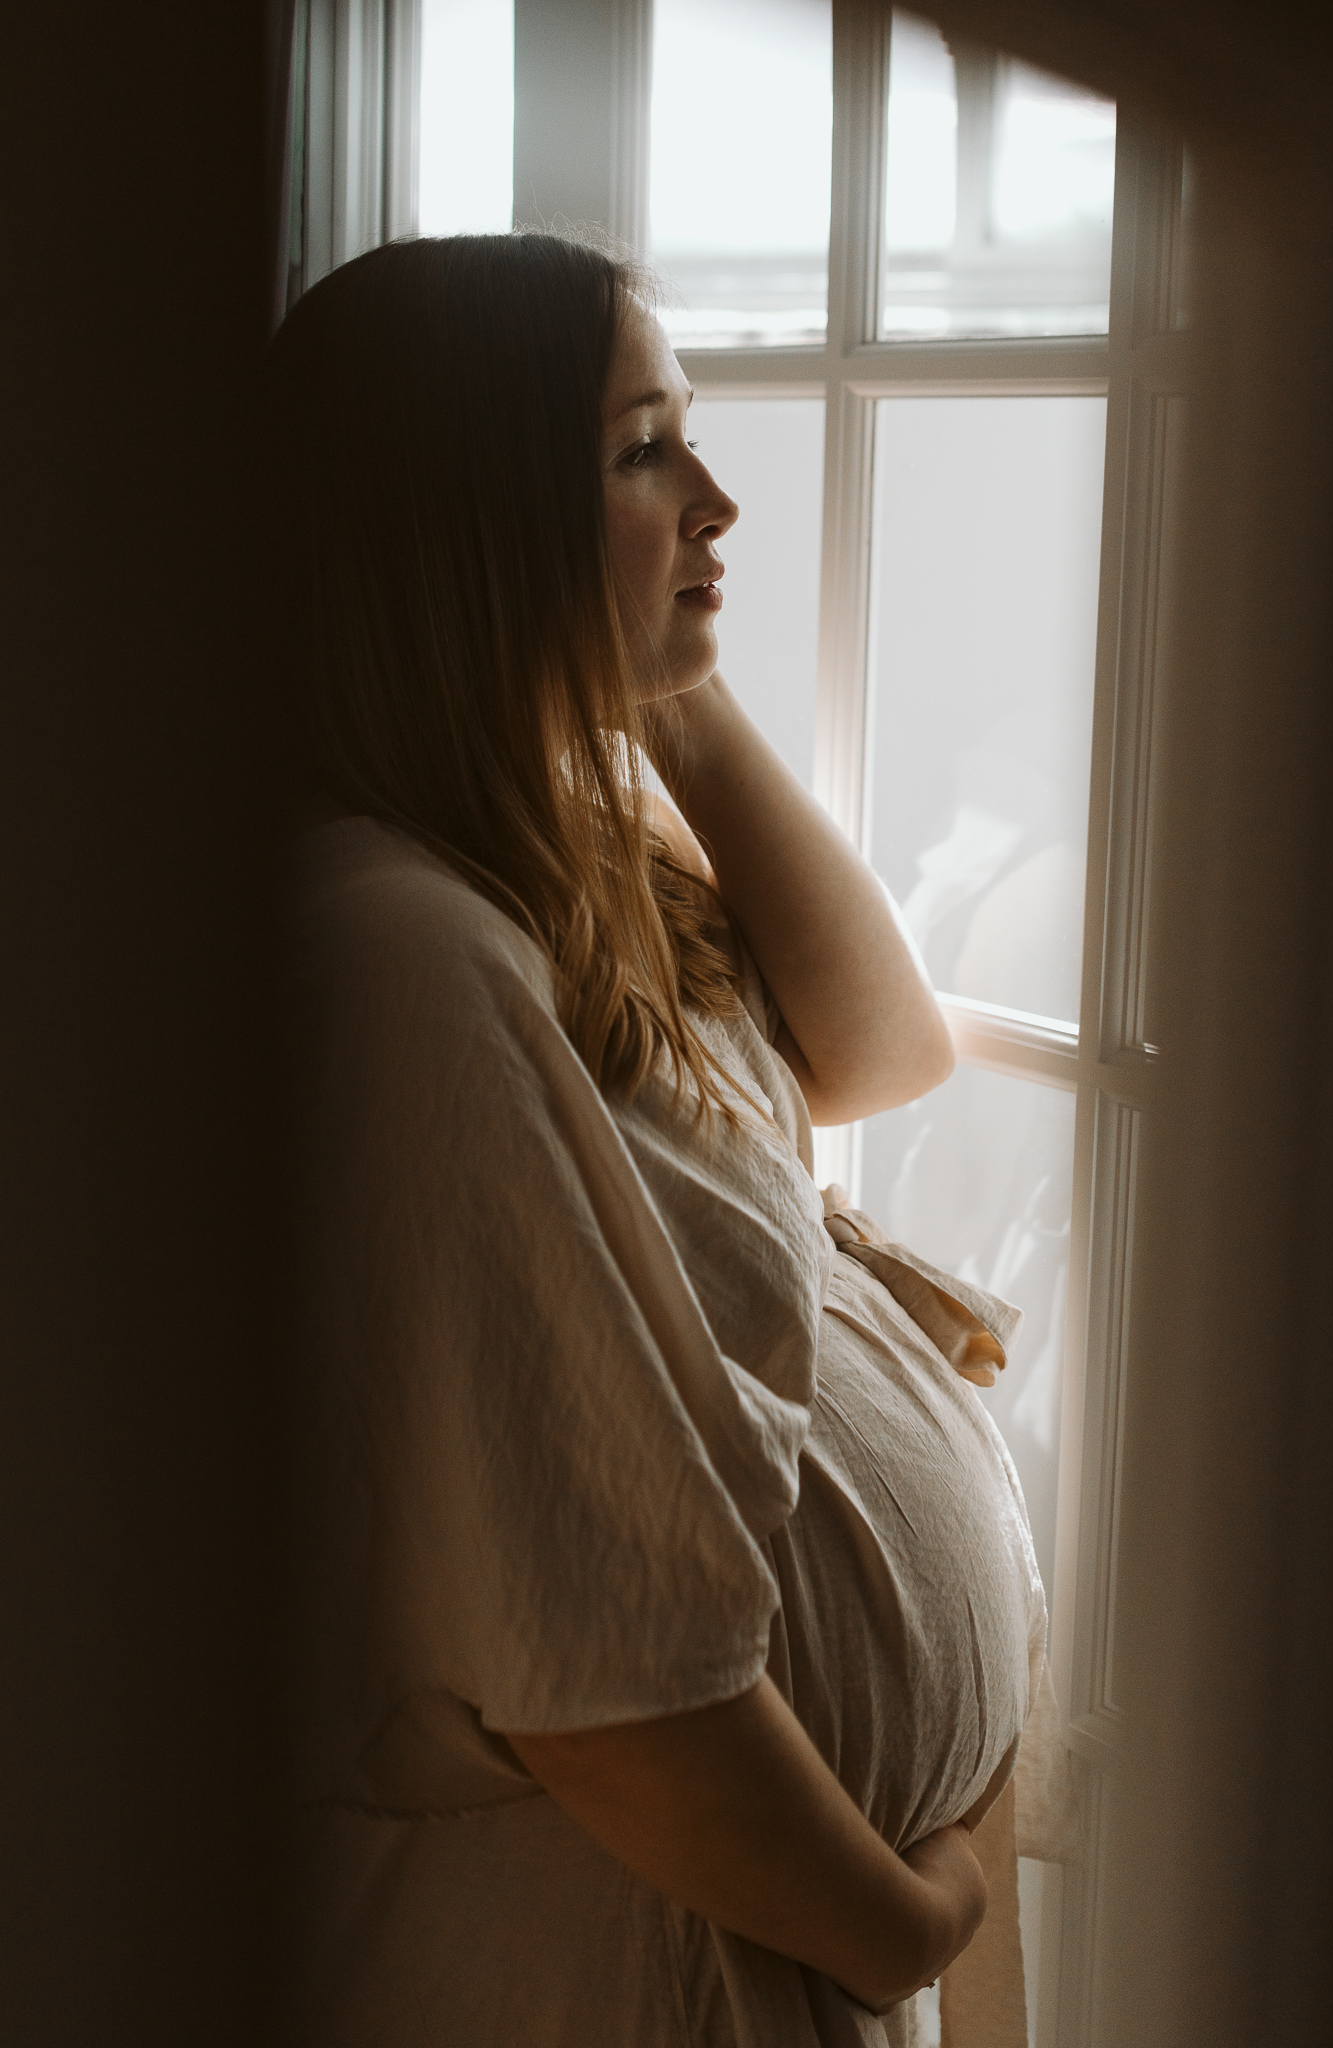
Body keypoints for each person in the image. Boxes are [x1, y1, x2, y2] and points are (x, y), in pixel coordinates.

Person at [276, 232, 1056, 2047]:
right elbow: (600, 1680)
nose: (718, 501)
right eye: (643, 453)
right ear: (470, 520)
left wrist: (658, 667)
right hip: (633, 1956)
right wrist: (909, 1921)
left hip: (723, 1938)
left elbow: (878, 1044)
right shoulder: (390, 948)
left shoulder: (557, 812)